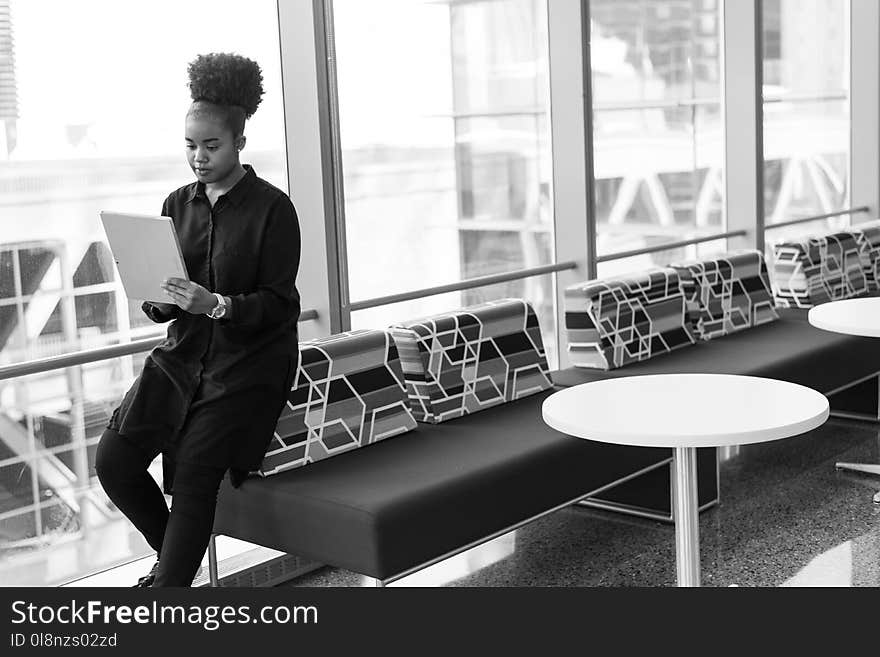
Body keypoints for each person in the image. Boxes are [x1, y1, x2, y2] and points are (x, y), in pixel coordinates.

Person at [95, 52, 301, 587]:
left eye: (212, 146)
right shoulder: (176, 203)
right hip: (181, 356)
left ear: (239, 142)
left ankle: (169, 591)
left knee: (192, 476)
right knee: (114, 461)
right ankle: (175, 570)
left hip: (246, 366)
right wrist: (159, 297)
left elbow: (281, 305)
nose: (199, 158)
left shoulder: (273, 209)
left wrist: (216, 304)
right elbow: (166, 296)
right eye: (190, 146)